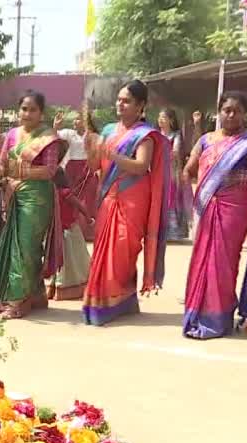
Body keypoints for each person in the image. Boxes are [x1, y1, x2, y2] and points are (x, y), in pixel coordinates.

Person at [180, 91, 247, 339]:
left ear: (245, 114)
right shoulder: (205, 140)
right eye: (227, 110)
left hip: (235, 207)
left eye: (237, 110)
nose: (231, 115)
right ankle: (197, 313)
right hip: (206, 205)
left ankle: (218, 318)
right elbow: (190, 168)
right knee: (202, 258)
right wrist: (189, 174)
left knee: (223, 260)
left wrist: (241, 177)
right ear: (219, 112)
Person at [81, 79, 171, 326]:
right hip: (108, 197)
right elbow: (95, 166)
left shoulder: (145, 135)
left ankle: (115, 301)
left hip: (133, 197)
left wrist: (112, 155)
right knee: (104, 247)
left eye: (127, 101)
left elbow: (142, 167)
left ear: (141, 105)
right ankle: (118, 299)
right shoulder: (109, 130)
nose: (120, 104)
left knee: (123, 247)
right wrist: (91, 149)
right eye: (119, 99)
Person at [0, 92, 65, 318]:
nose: (27, 114)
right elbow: (2, 165)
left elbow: (50, 171)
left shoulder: (48, 136)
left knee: (25, 246)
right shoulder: (12, 134)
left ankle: (17, 301)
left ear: (41, 113)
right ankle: (36, 293)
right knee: (15, 246)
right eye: (23, 109)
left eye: (32, 109)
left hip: (37, 198)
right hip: (14, 194)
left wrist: (21, 172)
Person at [46, 166, 94, 301]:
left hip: (55, 232)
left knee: (55, 261)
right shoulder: (65, 193)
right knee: (72, 262)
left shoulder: (50, 193)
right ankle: (65, 290)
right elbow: (81, 206)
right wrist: (89, 219)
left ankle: (52, 289)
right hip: (69, 231)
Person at [58, 108, 101, 241]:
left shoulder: (92, 136)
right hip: (72, 168)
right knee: (72, 198)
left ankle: (89, 230)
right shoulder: (69, 133)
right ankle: (73, 228)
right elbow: (54, 136)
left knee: (88, 198)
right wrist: (56, 126)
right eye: (75, 119)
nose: (75, 122)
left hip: (88, 168)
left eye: (79, 119)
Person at [158, 108, 193, 242]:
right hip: (158, 171)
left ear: (171, 120)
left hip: (171, 173)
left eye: (164, 117)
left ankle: (174, 232)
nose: (160, 120)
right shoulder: (156, 135)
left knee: (171, 199)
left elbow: (176, 153)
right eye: (160, 117)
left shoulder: (176, 135)